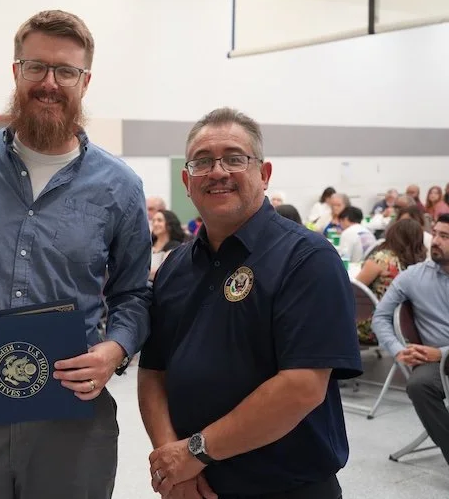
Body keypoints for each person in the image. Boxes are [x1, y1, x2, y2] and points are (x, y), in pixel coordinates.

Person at [0, 9, 151, 499]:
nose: (49, 83)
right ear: (16, 72)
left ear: (85, 81)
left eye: (65, 71)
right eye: (36, 67)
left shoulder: (120, 187)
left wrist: (115, 350)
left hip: (69, 408)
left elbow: (134, 293)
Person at [138, 107, 362, 499]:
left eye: (234, 158)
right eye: (203, 161)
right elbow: (153, 372)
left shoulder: (306, 258)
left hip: (285, 489)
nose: (218, 171)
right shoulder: (175, 266)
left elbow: (302, 387)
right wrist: (175, 467)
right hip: (193, 487)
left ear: (264, 173)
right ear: (187, 181)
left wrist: (194, 452)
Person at [371, 213, 449, 465]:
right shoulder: (413, 276)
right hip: (434, 362)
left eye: (444, 236)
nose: (435, 241)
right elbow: (380, 316)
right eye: (435, 234)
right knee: (419, 385)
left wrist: (442, 352)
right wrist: (397, 349)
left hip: (439, 354)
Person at [354, 219, 427, 345]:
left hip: (372, 326)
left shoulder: (381, 259)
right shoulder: (420, 265)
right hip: (402, 328)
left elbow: (354, 289)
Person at [150, 209, 189, 281]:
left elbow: (163, 271)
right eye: (153, 221)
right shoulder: (149, 244)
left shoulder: (175, 247)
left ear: (169, 224)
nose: (155, 224)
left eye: (159, 220)